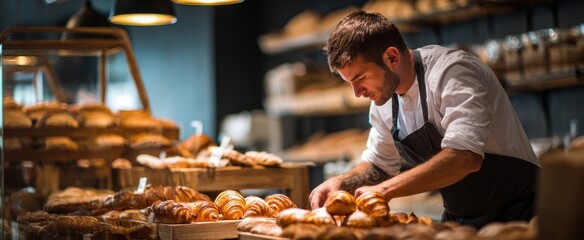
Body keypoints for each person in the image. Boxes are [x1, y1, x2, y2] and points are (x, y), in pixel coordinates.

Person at [309, 10, 540, 228]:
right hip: (461, 219)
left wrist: (385, 190)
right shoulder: (383, 102)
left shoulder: (452, 71)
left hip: (520, 214)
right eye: (349, 83)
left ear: (391, 57)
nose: (357, 93)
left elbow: (465, 157)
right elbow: (380, 165)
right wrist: (341, 183)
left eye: (361, 78)